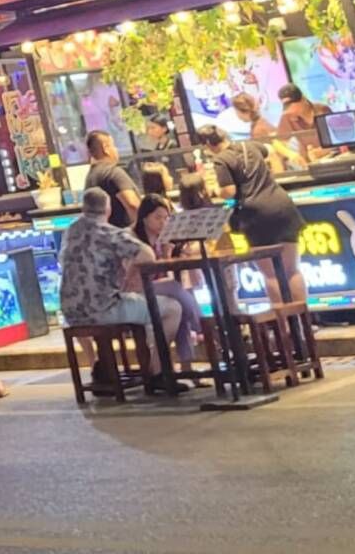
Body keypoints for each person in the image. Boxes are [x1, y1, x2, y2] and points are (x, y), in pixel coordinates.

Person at [59, 188, 189, 396]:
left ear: (84, 208)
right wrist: (128, 273)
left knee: (136, 303)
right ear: (108, 209)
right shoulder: (109, 233)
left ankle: (104, 371)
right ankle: (157, 372)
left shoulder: (71, 231)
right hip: (104, 308)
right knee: (172, 309)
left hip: (70, 311)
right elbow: (146, 255)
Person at [196, 122, 308, 306]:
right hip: (282, 204)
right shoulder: (248, 145)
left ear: (207, 144)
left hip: (256, 215)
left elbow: (229, 192)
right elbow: (270, 149)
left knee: (271, 274)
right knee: (292, 270)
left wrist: (214, 189)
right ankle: (303, 319)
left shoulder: (221, 160)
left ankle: (284, 321)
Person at [130, 191, 202, 373]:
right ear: (144, 218)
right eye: (158, 218)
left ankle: (187, 367)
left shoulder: (162, 238)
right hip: (136, 289)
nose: (163, 222)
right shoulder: (133, 239)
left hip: (155, 288)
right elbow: (144, 274)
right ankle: (202, 326)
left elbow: (163, 271)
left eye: (166, 218)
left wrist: (167, 252)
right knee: (175, 287)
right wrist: (164, 254)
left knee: (180, 303)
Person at [83, 129, 140, 228]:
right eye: (113, 146)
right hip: (122, 232)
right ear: (106, 148)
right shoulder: (113, 172)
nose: (116, 150)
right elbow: (132, 204)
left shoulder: (91, 176)